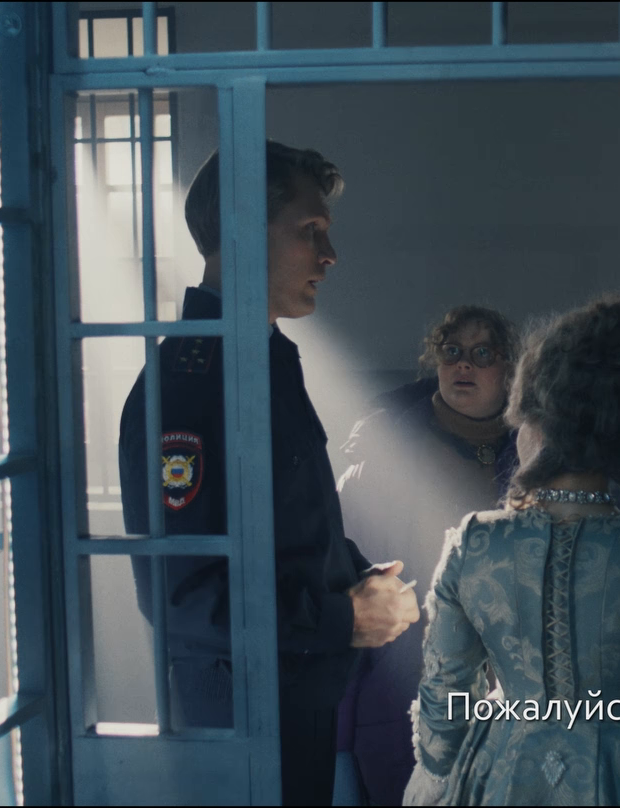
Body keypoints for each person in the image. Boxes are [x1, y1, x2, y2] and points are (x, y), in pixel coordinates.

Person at [118, 144, 420, 805]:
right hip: (243, 717)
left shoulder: (264, 361)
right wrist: (344, 617)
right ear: (240, 232)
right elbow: (183, 597)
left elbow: (288, 528)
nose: (329, 255)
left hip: (289, 698)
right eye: (310, 230)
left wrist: (360, 579)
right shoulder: (189, 384)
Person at [404, 297, 620, 806]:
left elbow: (444, 716)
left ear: (532, 416)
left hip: (503, 777)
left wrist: (446, 777)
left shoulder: (476, 545)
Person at [333, 305, 522, 805]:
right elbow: (341, 589)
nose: (464, 364)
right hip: (402, 690)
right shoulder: (380, 461)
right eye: (451, 351)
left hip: (511, 699)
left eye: (482, 353)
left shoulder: (540, 462)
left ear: (509, 368)